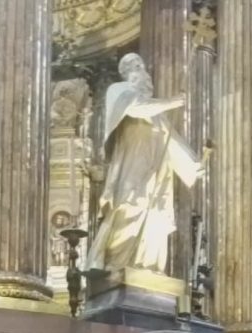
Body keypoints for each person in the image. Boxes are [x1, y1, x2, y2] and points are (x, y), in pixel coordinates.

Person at [87, 52, 202, 274]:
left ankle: (146, 266)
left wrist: (194, 165)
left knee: (156, 215)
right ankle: (116, 265)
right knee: (130, 206)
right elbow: (135, 108)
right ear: (126, 74)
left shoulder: (158, 113)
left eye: (142, 66)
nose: (141, 70)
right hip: (132, 165)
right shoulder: (119, 92)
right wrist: (172, 102)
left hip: (155, 171)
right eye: (134, 66)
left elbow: (173, 143)